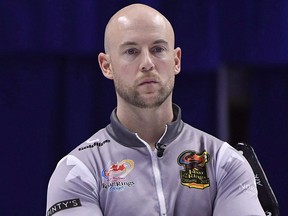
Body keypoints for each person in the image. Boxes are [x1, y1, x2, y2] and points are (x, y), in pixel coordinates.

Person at [46, 3, 265, 216]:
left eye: (158, 49)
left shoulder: (224, 162)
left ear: (176, 60)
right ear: (106, 65)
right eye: (131, 51)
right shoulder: (77, 171)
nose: (147, 63)